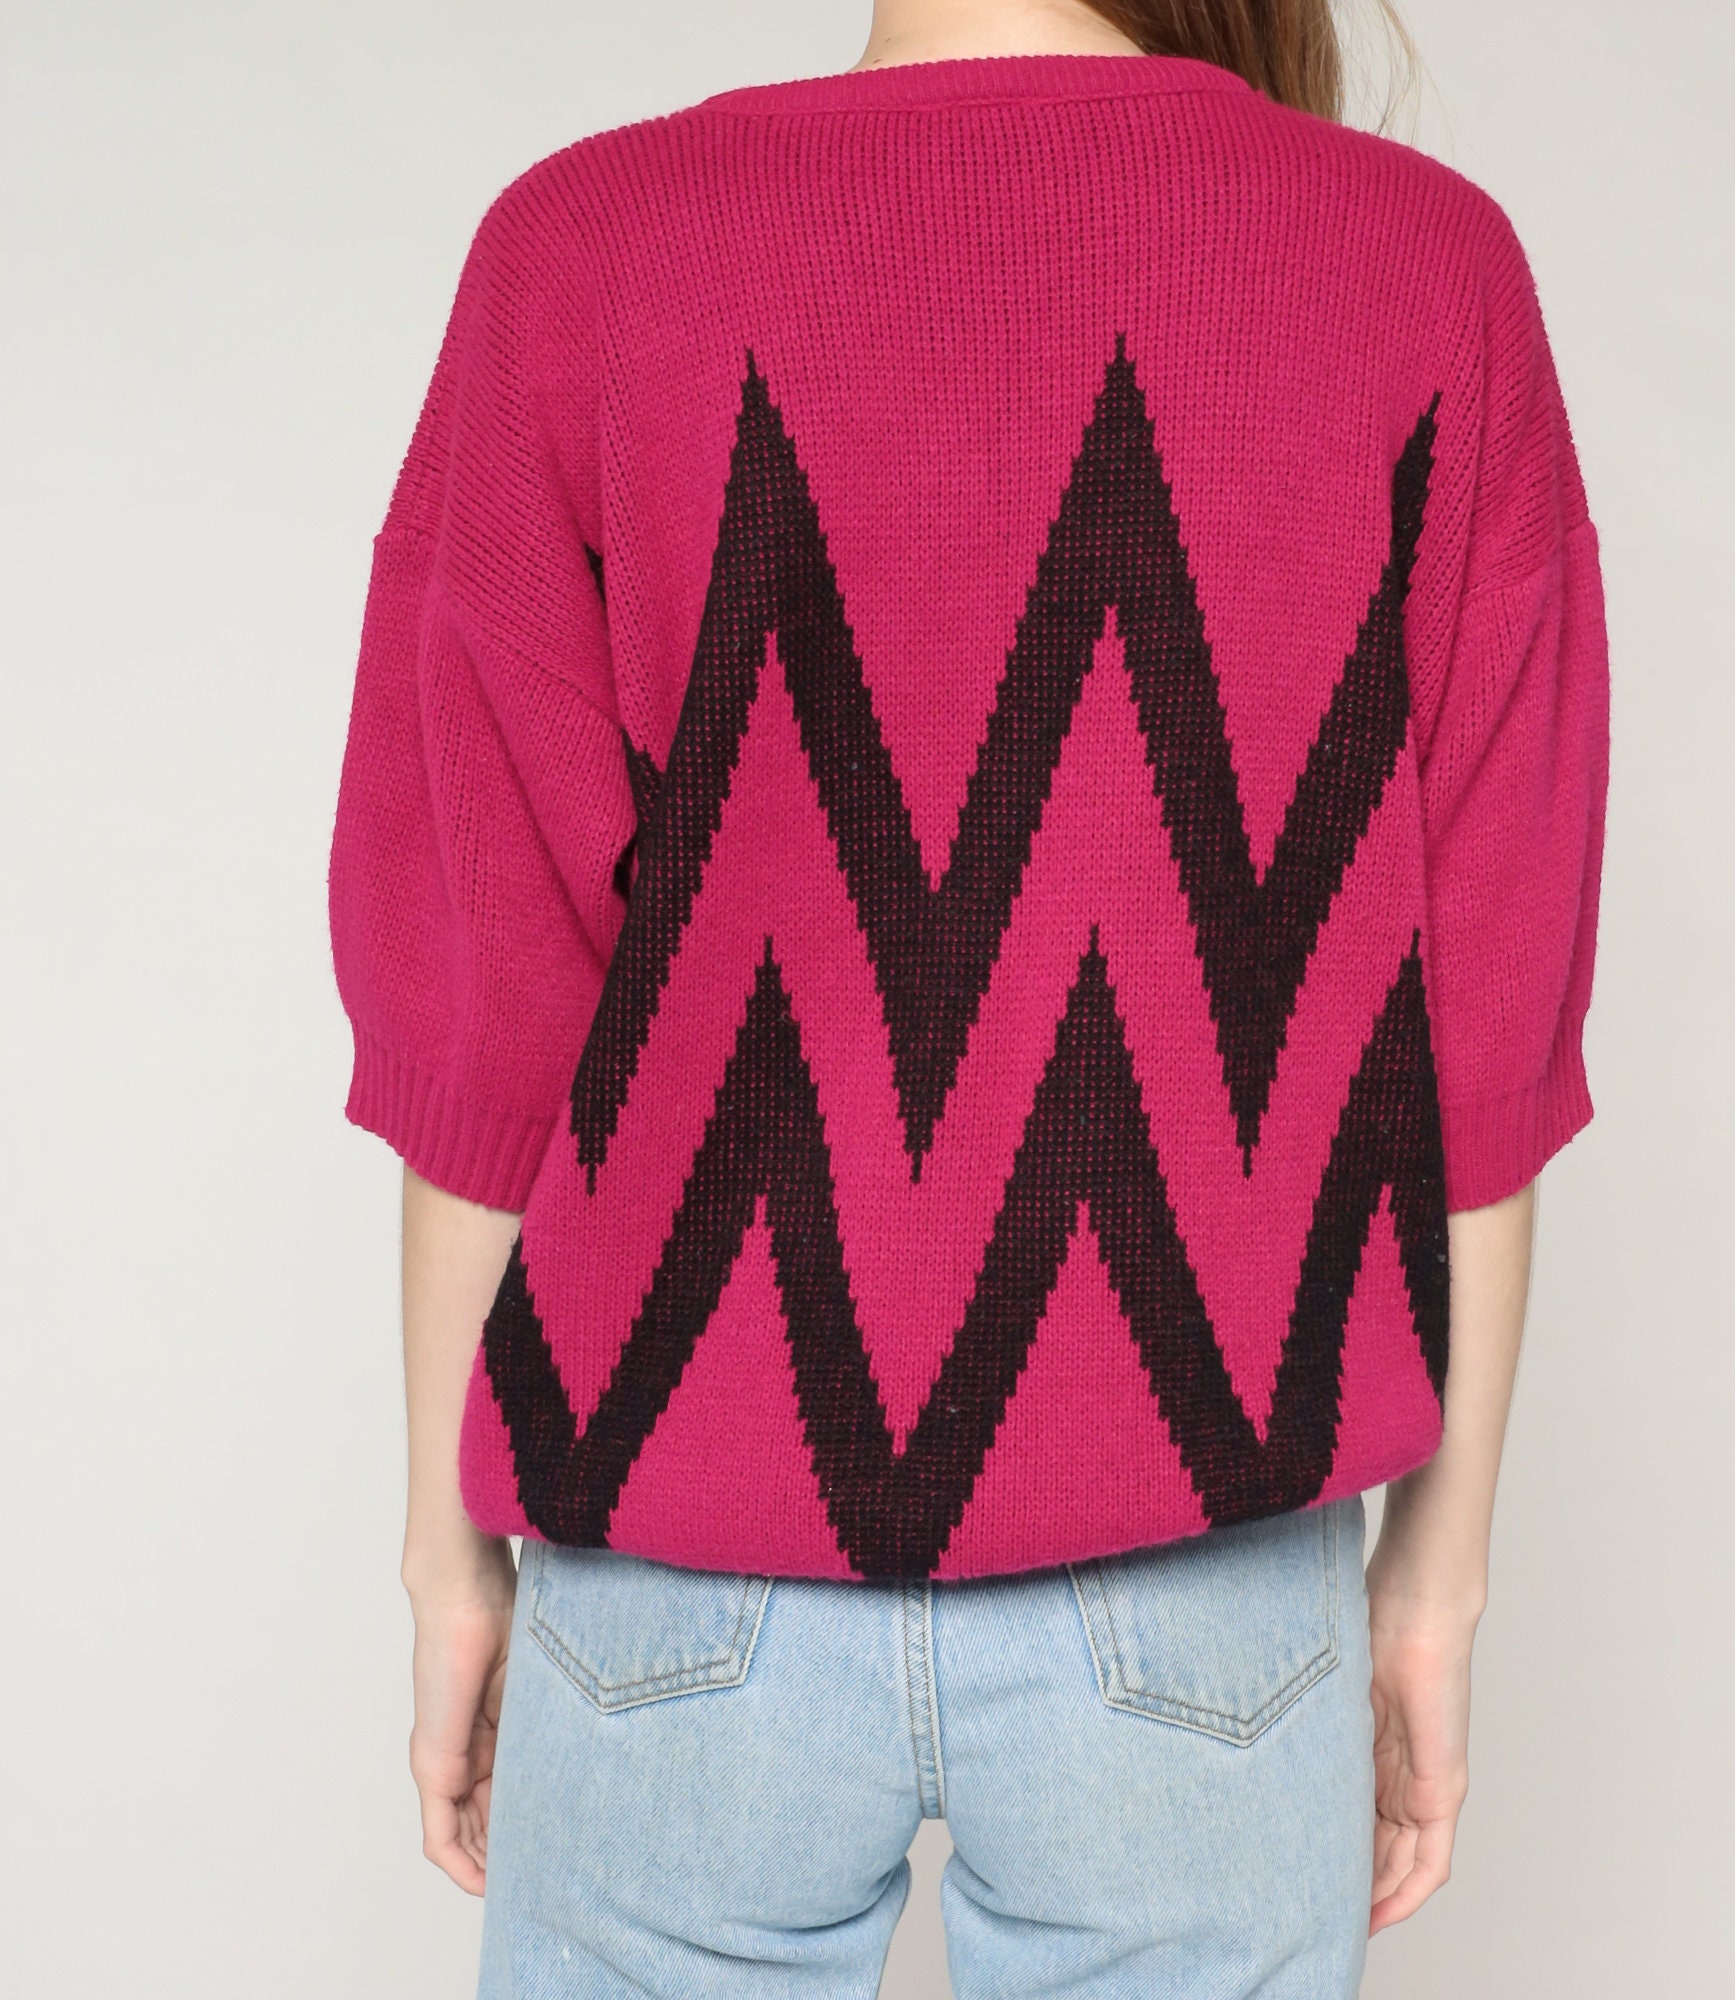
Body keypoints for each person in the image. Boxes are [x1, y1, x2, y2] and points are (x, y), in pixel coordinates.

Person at [328, 0, 1611, 1990]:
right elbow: (1491, 1026)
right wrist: (1434, 1584)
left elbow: (481, 999)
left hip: (678, 1571)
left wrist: (448, 1553)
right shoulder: (1422, 263)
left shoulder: (584, 249)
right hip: (1205, 1575)